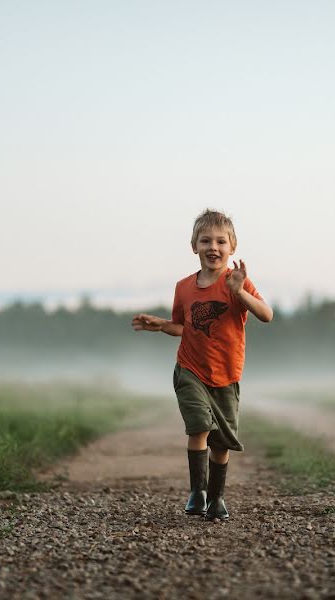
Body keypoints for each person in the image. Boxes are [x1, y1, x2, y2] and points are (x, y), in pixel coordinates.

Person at [131, 209, 273, 521]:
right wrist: (161, 325)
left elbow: (266, 314)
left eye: (221, 241)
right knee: (199, 426)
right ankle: (198, 491)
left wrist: (239, 292)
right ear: (193, 246)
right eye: (205, 240)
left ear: (232, 247)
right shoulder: (183, 287)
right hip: (190, 369)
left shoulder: (237, 283)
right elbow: (186, 327)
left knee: (220, 443)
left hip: (226, 375)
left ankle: (217, 497)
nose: (213, 246)